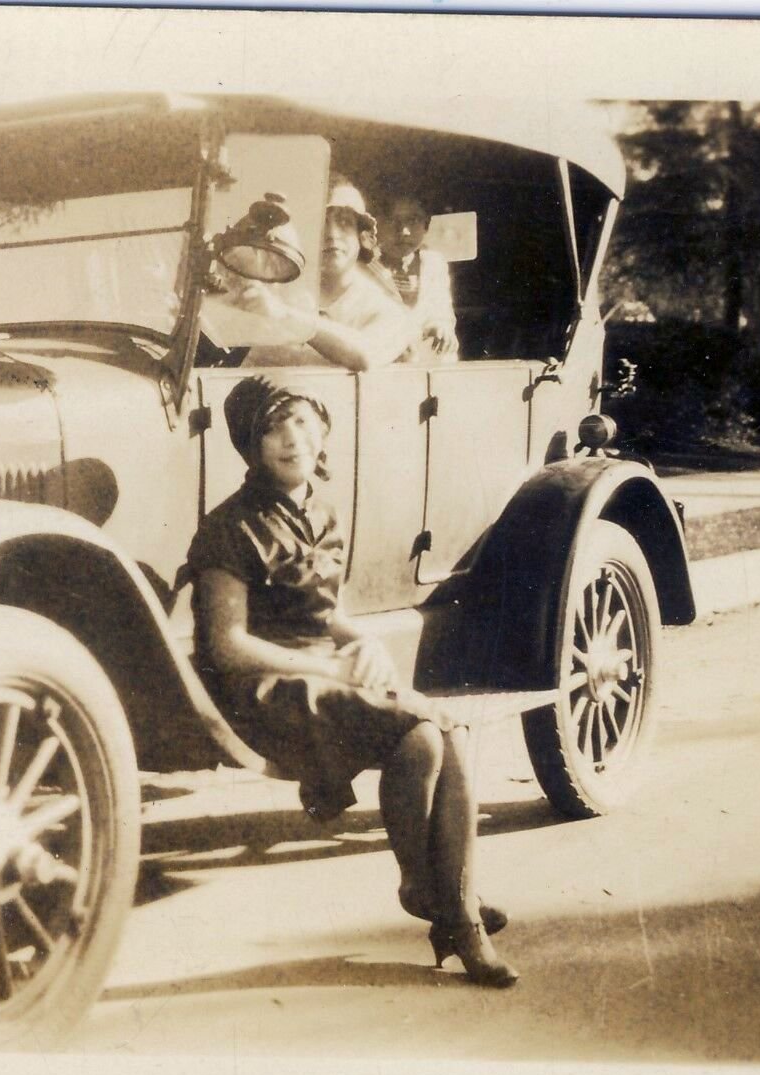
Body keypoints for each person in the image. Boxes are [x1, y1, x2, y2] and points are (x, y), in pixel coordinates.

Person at [183, 375, 518, 987]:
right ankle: (451, 910)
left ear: (323, 432)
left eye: (302, 422)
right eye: (273, 429)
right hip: (264, 687)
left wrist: (362, 642)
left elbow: (325, 611)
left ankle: (443, 899)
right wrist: (331, 667)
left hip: (322, 675)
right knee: (426, 727)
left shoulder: (323, 512)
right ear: (250, 447)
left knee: (437, 735)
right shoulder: (230, 526)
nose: (292, 439)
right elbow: (226, 647)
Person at [237, 177, 418, 371]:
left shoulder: (387, 311)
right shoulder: (277, 294)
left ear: (361, 236)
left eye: (345, 222)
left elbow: (366, 353)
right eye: (320, 222)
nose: (332, 234)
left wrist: (284, 314)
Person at [368, 193, 460, 363]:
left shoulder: (434, 263)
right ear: (375, 225)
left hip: (427, 363)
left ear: (426, 225)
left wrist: (440, 326)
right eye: (392, 220)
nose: (404, 231)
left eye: (413, 220)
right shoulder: (364, 267)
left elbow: (442, 312)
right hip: (382, 362)